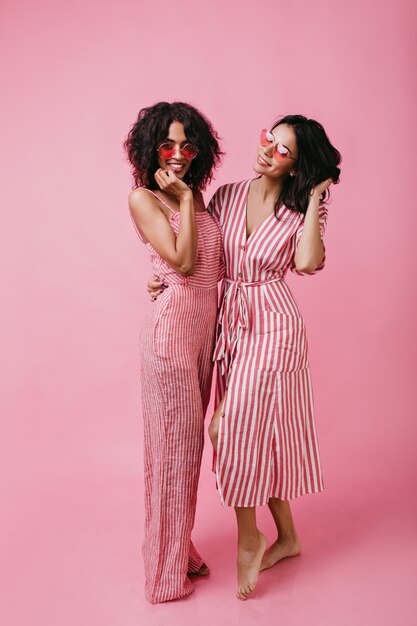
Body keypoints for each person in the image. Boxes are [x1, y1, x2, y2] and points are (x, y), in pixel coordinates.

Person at [148, 114, 341, 601]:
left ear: (298, 166)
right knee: (259, 434)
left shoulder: (302, 209)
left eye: (282, 150)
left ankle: (249, 538)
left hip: (274, 324)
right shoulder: (228, 195)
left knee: (226, 428)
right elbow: (202, 251)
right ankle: (290, 537)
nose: (267, 151)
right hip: (230, 326)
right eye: (267, 139)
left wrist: (317, 196)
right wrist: (162, 276)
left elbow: (306, 263)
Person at [124, 101, 223, 604]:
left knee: (185, 455)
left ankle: (177, 547)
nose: (179, 153)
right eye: (168, 144)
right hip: (169, 344)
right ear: (150, 148)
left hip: (201, 339)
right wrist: (182, 197)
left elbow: (206, 270)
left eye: (189, 144)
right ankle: (163, 577)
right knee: (170, 457)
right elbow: (184, 264)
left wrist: (188, 198)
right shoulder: (145, 197)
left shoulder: (199, 199)